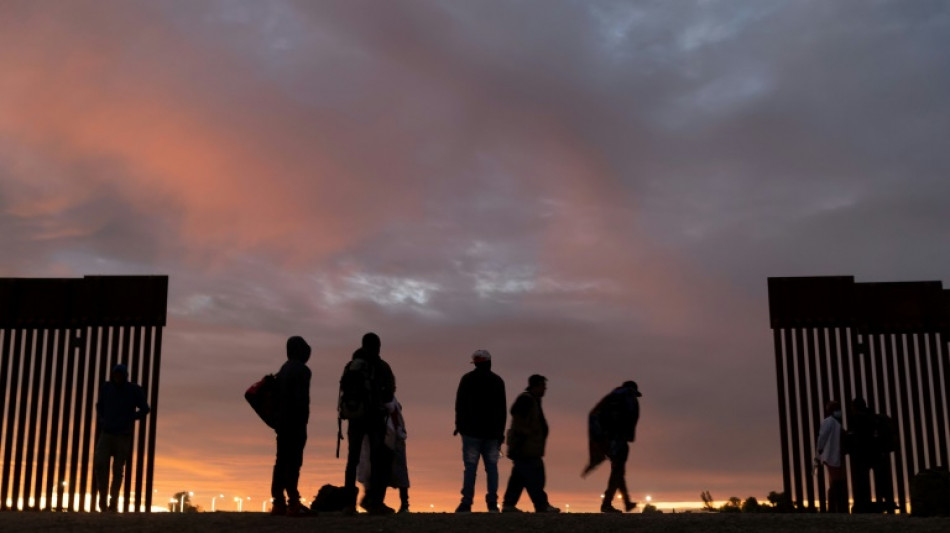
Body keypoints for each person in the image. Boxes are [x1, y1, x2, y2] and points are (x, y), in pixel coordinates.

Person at [342, 332, 397, 515]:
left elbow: (343, 389)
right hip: (375, 418)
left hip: (355, 418)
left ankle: (349, 504)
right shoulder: (382, 366)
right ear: (378, 346)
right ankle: (375, 502)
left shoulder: (351, 366)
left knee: (352, 460)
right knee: (377, 460)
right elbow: (390, 392)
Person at [454, 349, 507, 513]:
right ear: (489, 363)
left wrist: (460, 426)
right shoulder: (497, 381)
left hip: (470, 433)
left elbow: (460, 405)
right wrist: (500, 433)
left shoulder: (467, 379)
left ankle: (466, 503)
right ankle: (492, 503)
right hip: (491, 434)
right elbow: (501, 410)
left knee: (470, 468)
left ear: (475, 363)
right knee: (491, 468)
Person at [93, 363, 150, 512]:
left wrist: (131, 417)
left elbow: (145, 409)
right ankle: (103, 499)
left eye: (120, 374)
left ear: (124, 376)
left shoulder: (133, 390)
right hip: (107, 433)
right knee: (100, 464)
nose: (117, 377)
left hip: (123, 435)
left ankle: (113, 501)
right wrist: (102, 419)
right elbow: (99, 405)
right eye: (115, 374)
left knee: (118, 470)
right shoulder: (107, 387)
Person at [501, 374, 559, 513]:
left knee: (519, 478)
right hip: (525, 447)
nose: (545, 389)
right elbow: (519, 420)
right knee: (536, 477)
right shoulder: (526, 400)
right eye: (543, 386)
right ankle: (541, 505)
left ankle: (509, 505)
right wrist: (526, 436)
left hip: (528, 447)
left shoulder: (533, 400)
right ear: (536, 386)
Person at [582, 381, 641, 513]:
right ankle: (608, 504)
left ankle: (626, 502)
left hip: (607, 440)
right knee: (618, 471)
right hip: (618, 440)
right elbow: (630, 420)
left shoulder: (611, 398)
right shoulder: (629, 398)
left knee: (618, 471)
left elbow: (593, 414)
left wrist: (600, 439)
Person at [270, 336, 312, 516]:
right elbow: (301, 400)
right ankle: (293, 503)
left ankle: (278, 503)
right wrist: (303, 420)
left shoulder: (284, 369)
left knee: (280, 462)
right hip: (296, 423)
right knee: (294, 463)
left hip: (282, 423)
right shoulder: (303, 370)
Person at [357, 393, 411, 513]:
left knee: (375, 470)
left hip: (382, 436)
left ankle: (372, 499)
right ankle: (403, 503)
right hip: (391, 436)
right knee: (396, 470)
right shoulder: (389, 400)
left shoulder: (374, 399)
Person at [815, 400, 846, 513]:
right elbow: (822, 438)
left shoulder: (833, 422)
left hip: (833, 456)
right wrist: (819, 451)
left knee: (837, 481)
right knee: (836, 482)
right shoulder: (830, 422)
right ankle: (834, 507)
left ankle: (834, 507)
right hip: (832, 456)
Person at [846, 397, 875, 513]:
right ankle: (866, 503)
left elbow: (853, 436)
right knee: (865, 479)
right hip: (871, 452)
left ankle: (860, 505)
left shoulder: (856, 418)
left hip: (859, 453)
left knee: (859, 480)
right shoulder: (871, 417)